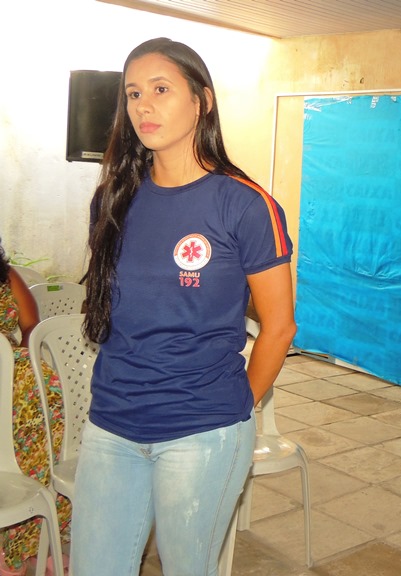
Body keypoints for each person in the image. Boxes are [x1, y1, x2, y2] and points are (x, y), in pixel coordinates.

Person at [74, 38, 296, 576]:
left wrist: (233, 406)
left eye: (161, 89)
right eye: (132, 94)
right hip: (112, 423)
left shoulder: (244, 204)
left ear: (202, 101)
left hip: (202, 429)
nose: (142, 106)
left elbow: (279, 328)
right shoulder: (113, 199)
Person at [0, 243, 71, 573]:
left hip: (11, 374)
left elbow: (31, 327)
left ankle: (30, 542)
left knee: (51, 410)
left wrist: (21, 368)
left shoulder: (5, 274)